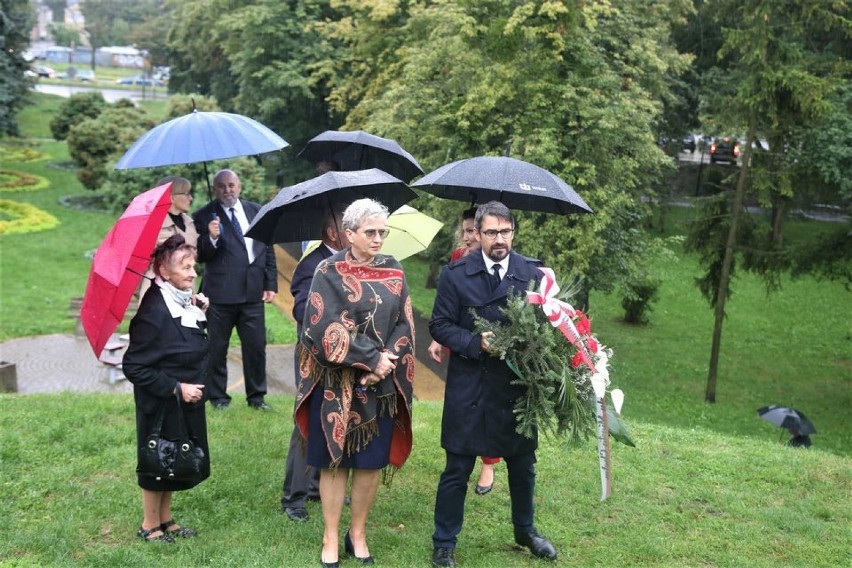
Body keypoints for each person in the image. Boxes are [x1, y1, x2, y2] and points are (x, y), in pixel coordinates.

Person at [429, 201, 557, 567]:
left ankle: (525, 530)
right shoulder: (455, 274)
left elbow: (549, 323)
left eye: (505, 232)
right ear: (477, 234)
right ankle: (444, 542)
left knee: (523, 465)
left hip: (515, 387)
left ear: (513, 232)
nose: (499, 239)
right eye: (490, 232)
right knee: (457, 468)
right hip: (470, 383)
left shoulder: (533, 273)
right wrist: (475, 343)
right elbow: (439, 325)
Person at [294, 198, 415, 567]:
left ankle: (357, 533)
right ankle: (330, 536)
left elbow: (404, 322)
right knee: (334, 462)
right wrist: (370, 358)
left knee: (369, 463)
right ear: (349, 234)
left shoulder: (394, 271)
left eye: (383, 232)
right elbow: (320, 326)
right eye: (370, 232)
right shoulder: (327, 271)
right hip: (335, 384)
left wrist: (386, 359)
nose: (378, 238)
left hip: (380, 385)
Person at [122, 234, 210, 543]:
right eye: (184, 267)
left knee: (174, 457)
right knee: (157, 458)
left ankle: (166, 519)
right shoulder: (153, 311)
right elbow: (133, 366)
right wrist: (176, 387)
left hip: (183, 398)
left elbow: (183, 342)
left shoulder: (179, 298)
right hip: (161, 399)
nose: (192, 273)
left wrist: (199, 310)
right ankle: (149, 524)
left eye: (193, 266)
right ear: (163, 270)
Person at [427, 207, 500, 496]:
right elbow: (448, 310)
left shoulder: (497, 262)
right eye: (466, 230)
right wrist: (438, 340)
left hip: (492, 345)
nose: (469, 236)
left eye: (474, 230)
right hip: (465, 344)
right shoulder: (458, 260)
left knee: (491, 403)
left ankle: (489, 463)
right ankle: (462, 459)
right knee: (467, 404)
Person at [192, 169, 278, 410]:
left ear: (239, 186)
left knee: (256, 348)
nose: (227, 190)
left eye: (231, 185)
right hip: (219, 295)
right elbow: (200, 256)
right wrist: (211, 237)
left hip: (253, 293)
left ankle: (257, 398)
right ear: (216, 188)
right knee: (217, 348)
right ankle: (218, 398)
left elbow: (267, 248)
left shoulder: (257, 211)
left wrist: (270, 283)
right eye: (221, 186)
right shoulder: (203, 216)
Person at [281, 207, 345, 522]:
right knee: (307, 422)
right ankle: (293, 498)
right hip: (313, 356)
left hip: (343, 357)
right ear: (333, 231)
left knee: (335, 418)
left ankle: (318, 486)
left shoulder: (349, 262)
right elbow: (301, 309)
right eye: (348, 225)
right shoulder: (313, 263)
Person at [138, 176, 199, 300]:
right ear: (171, 196)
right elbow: (139, 262)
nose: (190, 198)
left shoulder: (189, 223)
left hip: (186, 290)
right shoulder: (152, 224)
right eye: (186, 194)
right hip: (159, 290)